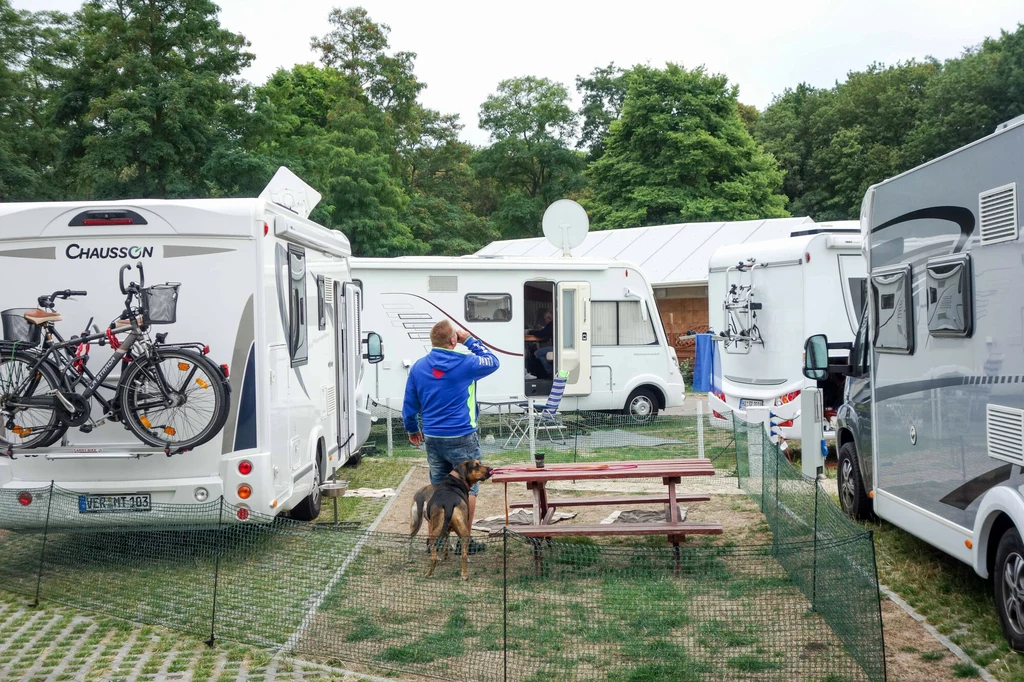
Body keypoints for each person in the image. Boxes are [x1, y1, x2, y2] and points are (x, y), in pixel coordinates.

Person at [403, 320, 500, 554]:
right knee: (468, 488)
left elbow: (409, 403)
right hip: (462, 435)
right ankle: (464, 542)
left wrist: (412, 429)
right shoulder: (466, 363)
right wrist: (470, 340)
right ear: (453, 341)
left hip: (433, 436)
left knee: (439, 488)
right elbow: (494, 361)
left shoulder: (418, 367)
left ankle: (435, 542)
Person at [529, 310, 554, 377]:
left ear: (549, 319)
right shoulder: (553, 325)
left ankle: (550, 372)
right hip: (555, 347)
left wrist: (530, 332)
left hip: (555, 348)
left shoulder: (551, 324)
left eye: (545, 319)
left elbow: (541, 333)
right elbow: (546, 331)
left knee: (538, 353)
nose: (545, 321)